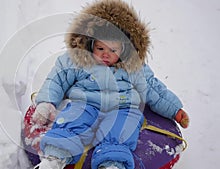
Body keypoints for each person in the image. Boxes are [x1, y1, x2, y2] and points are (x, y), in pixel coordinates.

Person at [31, 0, 189, 169]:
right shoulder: (77, 61)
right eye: (100, 48)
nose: (106, 54)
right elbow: (57, 79)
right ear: (90, 44)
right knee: (71, 121)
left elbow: (153, 88)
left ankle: (112, 164)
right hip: (85, 104)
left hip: (122, 108)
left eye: (113, 50)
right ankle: (54, 159)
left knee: (121, 130)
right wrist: (46, 102)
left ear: (125, 49)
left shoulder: (134, 67)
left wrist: (174, 110)